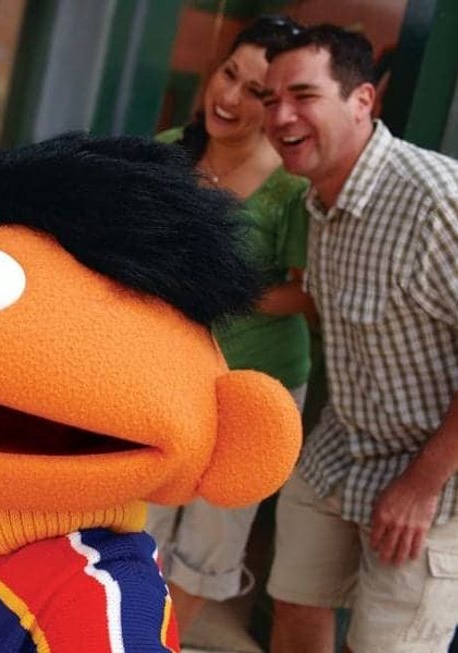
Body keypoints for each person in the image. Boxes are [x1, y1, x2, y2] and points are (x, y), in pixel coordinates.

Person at [262, 24, 458, 653]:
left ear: (363, 101)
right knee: (293, 605)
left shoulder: (436, 201)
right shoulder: (320, 201)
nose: (280, 116)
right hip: (341, 448)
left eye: (302, 95)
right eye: (271, 100)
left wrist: (423, 484)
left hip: (435, 477)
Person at [146, 14, 314, 634]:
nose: (229, 98)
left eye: (256, 92)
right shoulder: (166, 152)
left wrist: (223, 289)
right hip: (167, 375)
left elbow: (310, 295)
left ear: (279, 109)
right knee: (142, 519)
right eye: (229, 74)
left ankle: (161, 644)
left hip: (256, 385)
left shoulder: (293, 187)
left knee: (212, 537)